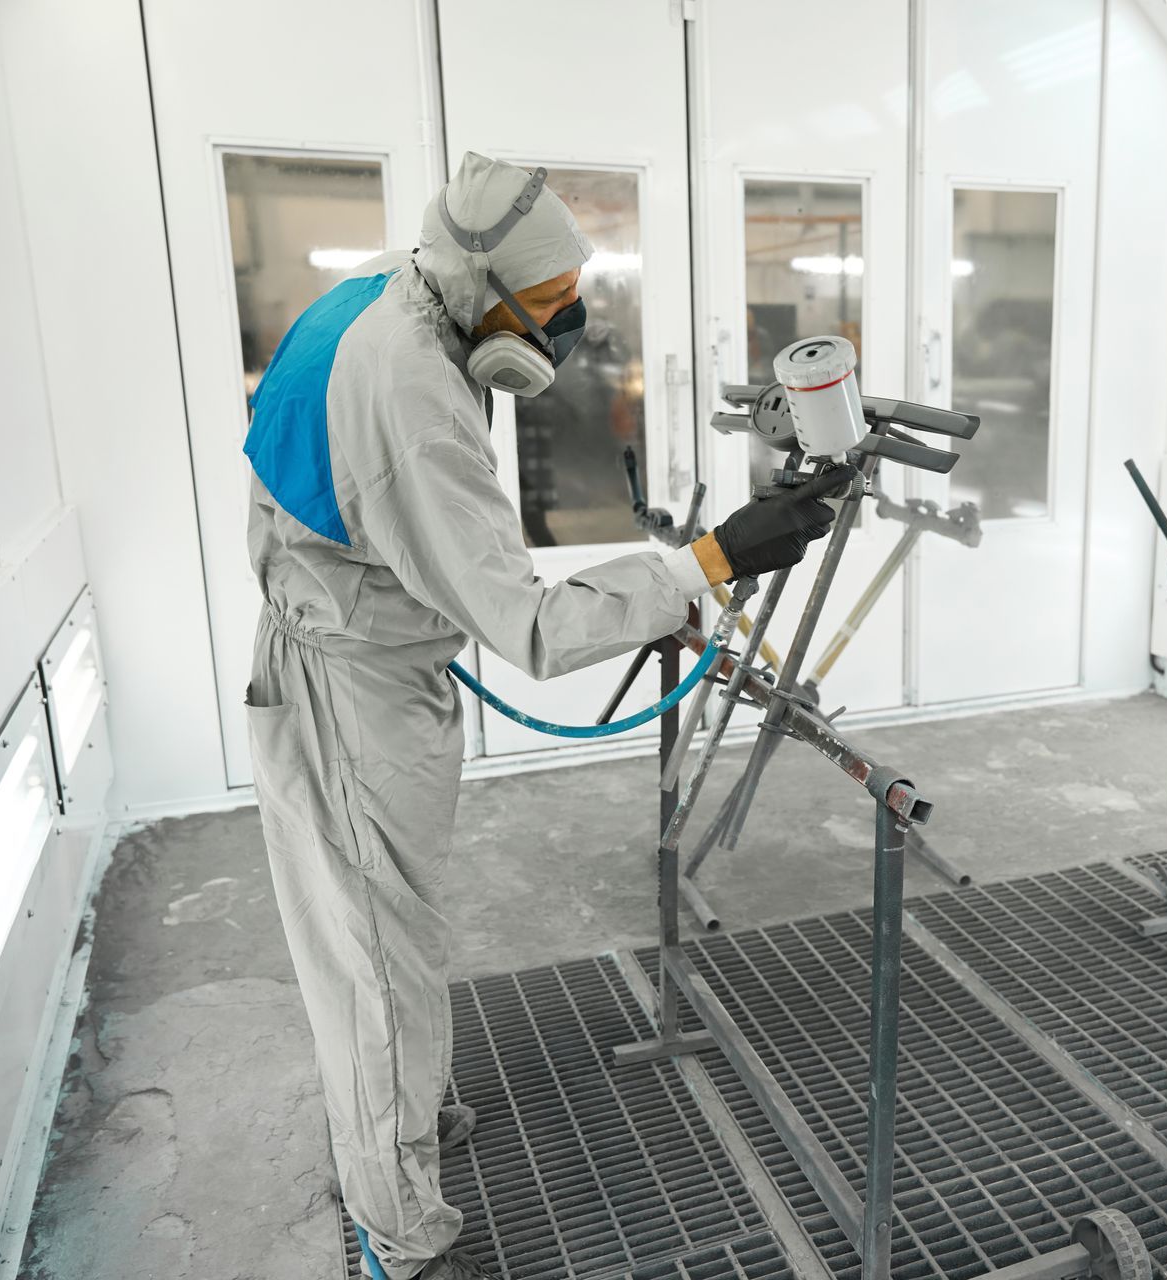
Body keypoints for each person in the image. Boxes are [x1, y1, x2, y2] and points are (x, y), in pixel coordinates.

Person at [241, 151, 852, 1280]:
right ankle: (402, 1235)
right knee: (372, 961)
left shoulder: (398, 285)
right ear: (493, 295)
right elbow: (528, 629)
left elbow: (441, 560)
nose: (567, 324)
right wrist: (712, 560)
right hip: (350, 692)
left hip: (367, 648)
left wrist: (671, 586)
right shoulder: (412, 389)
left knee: (395, 932)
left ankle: (406, 1128)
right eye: (554, 305)